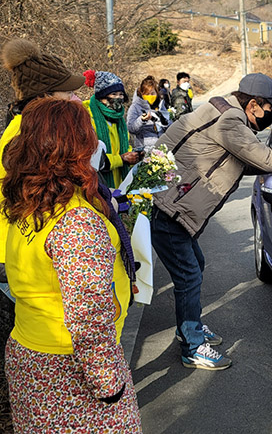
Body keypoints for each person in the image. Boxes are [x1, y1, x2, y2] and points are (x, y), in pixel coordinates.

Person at [151, 72, 272, 370]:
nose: (269, 115)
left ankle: (189, 328)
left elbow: (240, 160)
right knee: (189, 275)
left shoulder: (221, 109)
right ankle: (192, 345)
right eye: (268, 108)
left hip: (173, 207)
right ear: (253, 104)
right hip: (171, 210)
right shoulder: (230, 120)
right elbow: (261, 158)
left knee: (194, 268)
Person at [2, 98, 141, 432]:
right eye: (89, 135)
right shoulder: (76, 221)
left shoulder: (28, 202)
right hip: (68, 369)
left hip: (29, 352)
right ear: (76, 147)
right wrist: (110, 383)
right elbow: (89, 316)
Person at [0, 38, 85, 267]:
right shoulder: (27, 135)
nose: (73, 98)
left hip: (25, 245)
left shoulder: (25, 127)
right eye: (66, 92)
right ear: (44, 97)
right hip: (21, 251)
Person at [82, 70, 141, 188]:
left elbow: (125, 146)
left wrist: (134, 156)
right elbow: (90, 157)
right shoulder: (87, 117)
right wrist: (120, 159)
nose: (118, 98)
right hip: (97, 183)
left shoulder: (118, 119)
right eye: (113, 94)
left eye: (121, 94)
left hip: (119, 181)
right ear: (101, 96)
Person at [127, 75, 172, 149]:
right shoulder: (135, 107)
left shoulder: (160, 106)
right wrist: (142, 120)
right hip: (144, 150)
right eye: (147, 94)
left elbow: (169, 127)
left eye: (152, 93)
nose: (150, 96)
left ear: (157, 93)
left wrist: (165, 121)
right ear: (141, 93)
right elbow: (131, 129)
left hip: (162, 148)